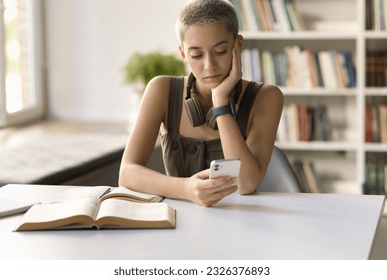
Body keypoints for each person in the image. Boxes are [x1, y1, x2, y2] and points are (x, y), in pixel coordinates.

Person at [119, 0, 283, 207]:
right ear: (183, 53)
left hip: (243, 220)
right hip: (179, 221)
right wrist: (186, 189)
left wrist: (221, 104)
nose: (209, 66)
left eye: (220, 51)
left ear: (238, 45)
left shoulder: (267, 97)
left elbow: (246, 183)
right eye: (196, 55)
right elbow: (127, 173)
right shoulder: (161, 89)